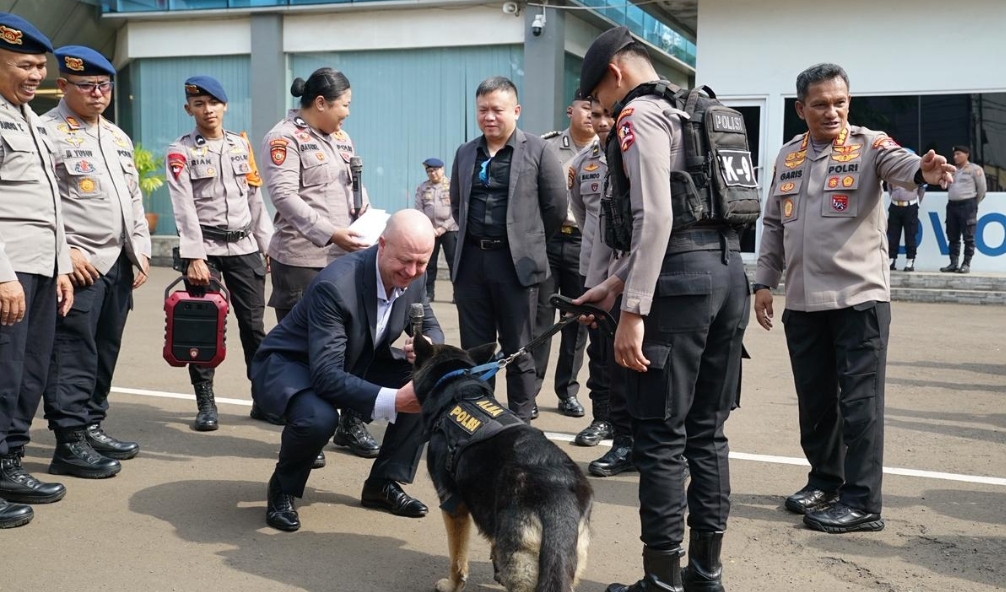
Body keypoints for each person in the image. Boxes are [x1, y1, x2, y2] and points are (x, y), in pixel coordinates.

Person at [577, 27, 750, 591]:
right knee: (708, 434)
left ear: (615, 74)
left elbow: (655, 218)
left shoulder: (638, 115)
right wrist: (613, 284)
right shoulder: (692, 109)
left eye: (597, 96)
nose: (602, 109)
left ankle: (662, 582)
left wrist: (632, 310)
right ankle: (705, 574)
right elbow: (690, 218)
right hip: (728, 275)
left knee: (660, 437)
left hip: (677, 289)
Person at [753, 63, 955, 536]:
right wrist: (763, 281)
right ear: (801, 109)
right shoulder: (787, 155)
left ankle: (862, 502)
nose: (832, 112)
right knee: (816, 404)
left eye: (840, 102)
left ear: (849, 103)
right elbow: (774, 224)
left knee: (861, 405)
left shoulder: (869, 145)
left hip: (859, 301)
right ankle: (826, 481)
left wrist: (922, 171)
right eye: (820, 104)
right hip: (803, 304)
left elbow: (903, 165)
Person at [250, 209, 442, 532]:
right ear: (382, 245)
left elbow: (432, 326)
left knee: (427, 384)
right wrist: (394, 401)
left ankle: (382, 484)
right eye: (405, 261)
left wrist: (429, 345)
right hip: (293, 365)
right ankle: (283, 487)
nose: (412, 271)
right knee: (319, 418)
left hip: (353, 357)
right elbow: (326, 376)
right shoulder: (337, 286)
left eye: (421, 263)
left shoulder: (415, 276)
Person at [39, 46, 151, 480]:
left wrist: (141, 249)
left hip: (118, 263)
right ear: (63, 86)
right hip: (80, 263)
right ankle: (69, 442)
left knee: (106, 349)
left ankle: (91, 425)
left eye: (105, 85)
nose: (98, 94)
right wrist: (64, 251)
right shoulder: (47, 132)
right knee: (72, 353)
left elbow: (134, 200)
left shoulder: (117, 136)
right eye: (87, 86)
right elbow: (40, 203)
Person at [260, 67, 380, 461]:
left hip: (346, 258)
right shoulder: (284, 138)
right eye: (344, 105)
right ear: (321, 103)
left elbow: (355, 188)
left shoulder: (341, 138)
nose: (348, 113)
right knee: (304, 352)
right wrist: (330, 232)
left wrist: (368, 219)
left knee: (353, 344)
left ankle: (350, 424)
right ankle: (307, 432)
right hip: (303, 260)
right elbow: (283, 196)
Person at [449, 75, 566, 422]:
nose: (489, 117)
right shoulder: (465, 152)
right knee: (475, 350)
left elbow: (555, 207)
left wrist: (527, 241)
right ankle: (479, 418)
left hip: (516, 264)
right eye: (482, 110)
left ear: (516, 111)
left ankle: (520, 421)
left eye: (497, 110)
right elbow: (457, 204)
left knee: (519, 348)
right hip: (472, 262)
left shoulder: (539, 150)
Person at [0, 13, 74, 528]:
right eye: (24, 65)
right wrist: (2, 274)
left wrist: (62, 266)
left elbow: (51, 203)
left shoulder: (29, 117)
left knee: (28, 373)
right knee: (2, 373)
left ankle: (8, 463)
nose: (35, 75)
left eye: (39, 66)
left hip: (42, 266)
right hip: (10, 268)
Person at [166, 75, 273, 432]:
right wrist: (193, 256)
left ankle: (263, 399)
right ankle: (206, 403)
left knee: (254, 328)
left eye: (213, 103)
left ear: (225, 106)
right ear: (189, 109)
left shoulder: (241, 145)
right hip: (206, 250)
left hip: (244, 247)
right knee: (203, 327)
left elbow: (255, 199)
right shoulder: (180, 151)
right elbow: (183, 207)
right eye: (199, 104)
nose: (207, 110)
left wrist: (268, 246)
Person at [567, 100, 634, 477]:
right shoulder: (582, 163)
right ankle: (606, 421)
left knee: (635, 358)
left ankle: (635, 435)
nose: (603, 122)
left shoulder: (639, 153)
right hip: (596, 272)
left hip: (634, 274)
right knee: (601, 354)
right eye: (595, 115)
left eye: (609, 114)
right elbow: (581, 213)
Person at [531, 92, 595, 420]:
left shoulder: (606, 148)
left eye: (597, 109)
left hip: (584, 244)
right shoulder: (547, 147)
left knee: (576, 322)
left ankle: (567, 392)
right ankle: (528, 392)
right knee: (539, 319)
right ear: (571, 110)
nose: (591, 114)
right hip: (549, 240)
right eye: (585, 107)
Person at [413, 157, 456, 302]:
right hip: (430, 230)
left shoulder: (452, 186)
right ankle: (428, 293)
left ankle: (457, 294)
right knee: (429, 264)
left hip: (450, 229)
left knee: (454, 263)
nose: (432, 173)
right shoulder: (423, 187)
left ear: (442, 169)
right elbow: (419, 208)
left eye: (435, 170)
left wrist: (443, 227)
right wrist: (430, 227)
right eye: (429, 171)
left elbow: (457, 209)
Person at [939, 145, 986, 274]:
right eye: (954, 154)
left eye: (958, 154)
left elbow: (982, 190)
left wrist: (973, 204)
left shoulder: (975, 169)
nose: (955, 157)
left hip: (967, 205)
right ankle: (953, 263)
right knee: (952, 236)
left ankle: (966, 264)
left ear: (967, 155)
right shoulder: (951, 170)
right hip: (952, 205)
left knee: (968, 236)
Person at [886, 175, 925, 272]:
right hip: (895, 206)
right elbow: (889, 185)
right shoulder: (894, 171)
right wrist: (893, 197)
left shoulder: (914, 171)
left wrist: (917, 203)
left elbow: (922, 187)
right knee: (893, 234)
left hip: (910, 206)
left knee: (910, 234)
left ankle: (910, 260)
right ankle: (891, 258)